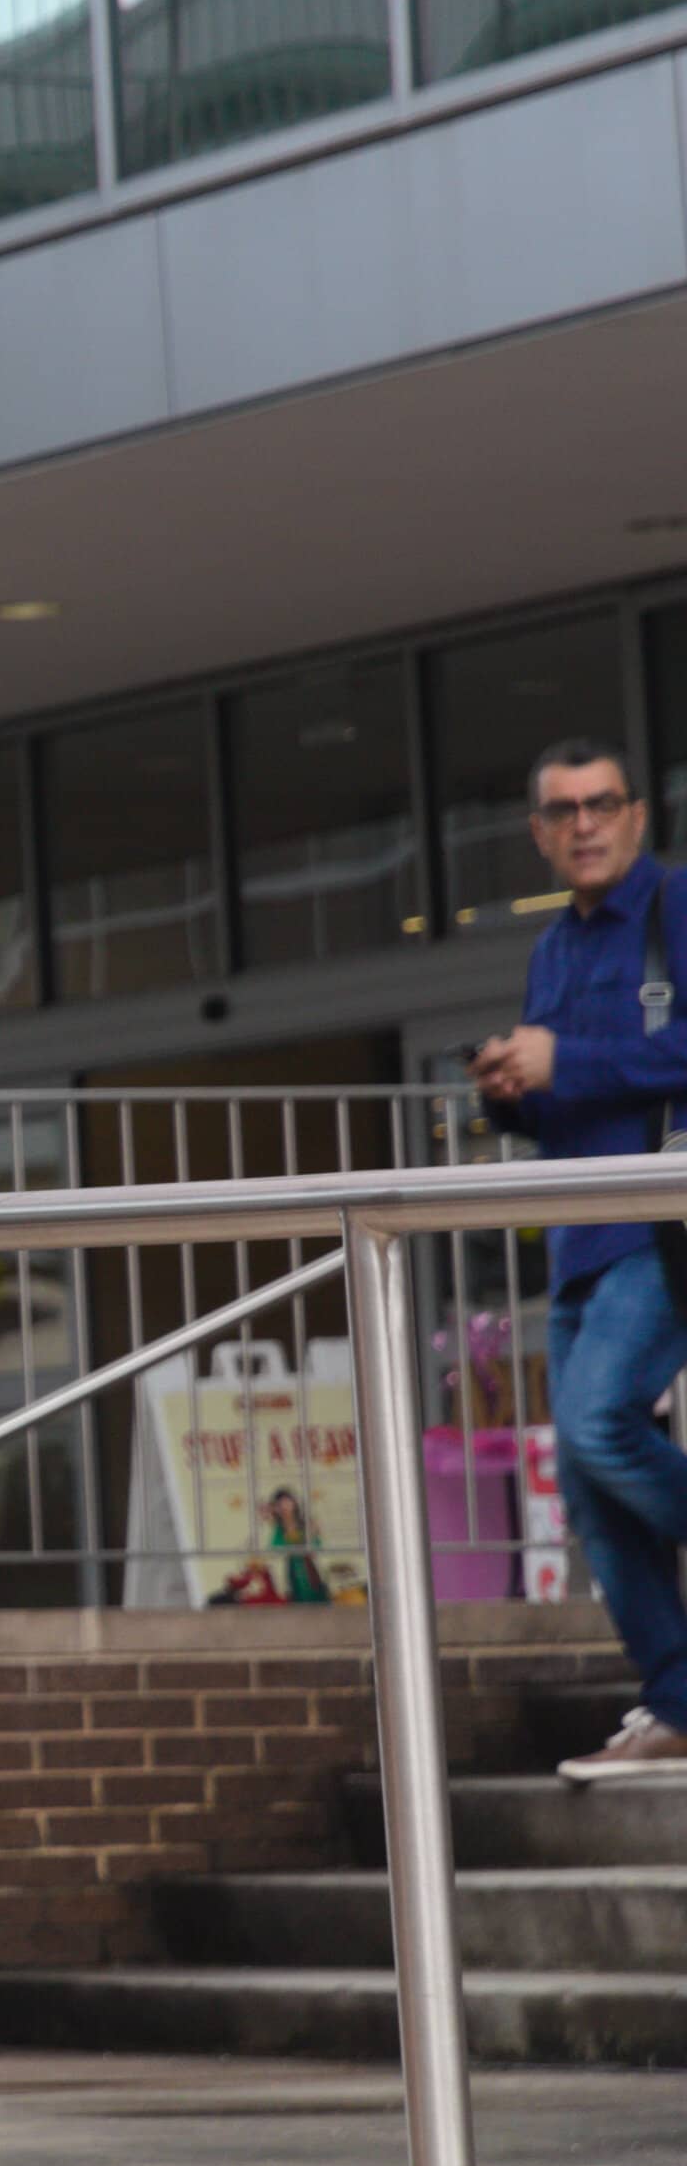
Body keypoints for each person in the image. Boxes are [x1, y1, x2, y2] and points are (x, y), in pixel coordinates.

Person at [468, 738, 687, 1781]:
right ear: (539, 832)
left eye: (602, 802)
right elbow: (561, 1102)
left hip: (663, 1223)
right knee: (594, 1491)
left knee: (601, 1423)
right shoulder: (550, 947)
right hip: (576, 1234)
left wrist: (571, 1059)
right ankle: (676, 1700)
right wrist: (509, 1085)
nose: (584, 823)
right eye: (563, 810)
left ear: (637, 815)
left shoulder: (672, 908)